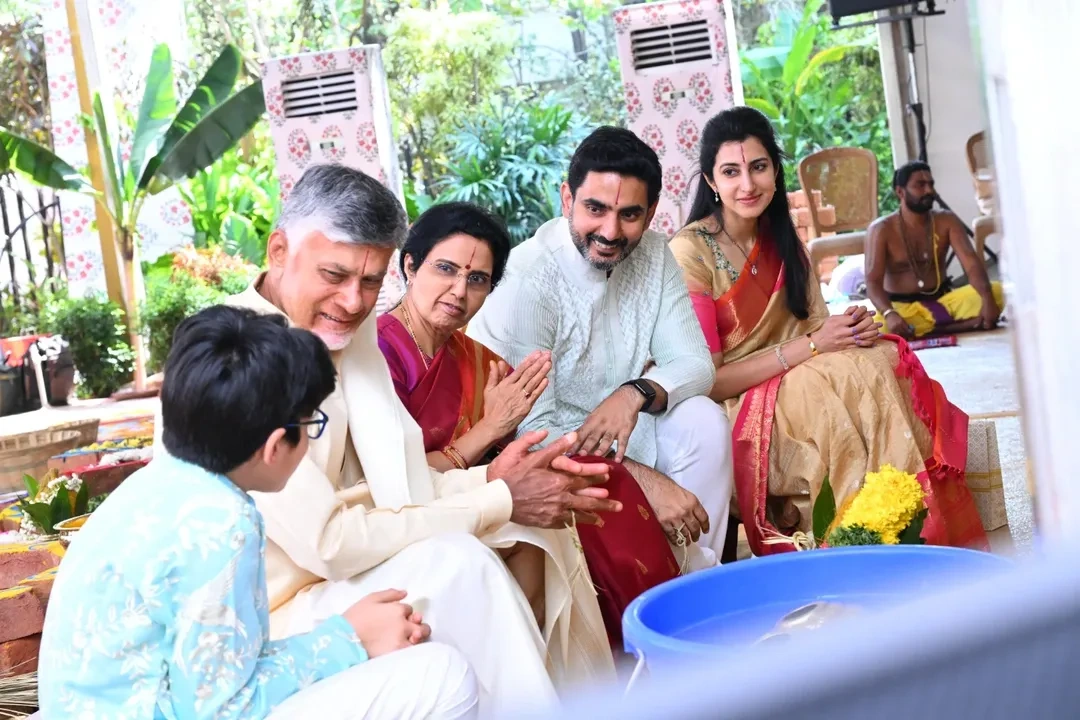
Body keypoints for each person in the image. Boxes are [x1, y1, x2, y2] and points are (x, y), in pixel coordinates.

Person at [150, 164, 623, 717]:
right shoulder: (238, 356)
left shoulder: (354, 331)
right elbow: (329, 543)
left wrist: (497, 482)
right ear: (279, 250)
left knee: (536, 528)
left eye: (370, 282)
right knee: (458, 563)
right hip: (274, 614)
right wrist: (493, 495)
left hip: (347, 567)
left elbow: (402, 484)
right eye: (335, 274)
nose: (353, 301)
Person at [40, 305, 479, 719]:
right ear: (274, 447)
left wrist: (348, 634)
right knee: (442, 673)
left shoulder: (155, 488)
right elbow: (224, 708)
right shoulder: (223, 521)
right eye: (311, 426)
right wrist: (352, 639)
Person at [667, 106, 988, 557]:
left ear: (775, 173)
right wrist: (815, 344)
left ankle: (903, 526)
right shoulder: (690, 253)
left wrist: (847, 328)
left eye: (758, 167)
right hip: (736, 400)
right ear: (710, 182)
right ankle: (850, 542)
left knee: (878, 358)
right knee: (825, 386)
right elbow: (708, 379)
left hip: (797, 375)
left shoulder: (781, 240)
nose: (747, 184)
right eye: (731, 171)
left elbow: (814, 326)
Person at [377, 201, 692, 649]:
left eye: (477, 279)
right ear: (410, 265)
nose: (458, 291)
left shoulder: (478, 362)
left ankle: (651, 637)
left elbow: (518, 450)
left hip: (478, 488)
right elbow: (396, 481)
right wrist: (488, 430)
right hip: (416, 512)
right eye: (445, 269)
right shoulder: (377, 356)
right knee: (537, 529)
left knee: (596, 480)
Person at [467, 127, 733, 561]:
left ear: (650, 215)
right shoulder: (528, 281)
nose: (610, 231)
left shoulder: (653, 253)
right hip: (550, 457)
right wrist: (644, 482)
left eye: (629, 214)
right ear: (566, 199)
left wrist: (633, 394)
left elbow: (696, 364)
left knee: (701, 420)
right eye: (595, 209)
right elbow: (532, 432)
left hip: (630, 433)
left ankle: (699, 578)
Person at [866, 161, 1005, 339]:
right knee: (878, 327)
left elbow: (971, 265)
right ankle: (956, 326)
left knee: (999, 292)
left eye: (931, 184)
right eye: (920, 185)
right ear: (900, 192)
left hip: (943, 302)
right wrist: (889, 313)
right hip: (901, 308)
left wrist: (986, 298)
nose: (929, 191)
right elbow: (872, 283)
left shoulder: (946, 221)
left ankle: (925, 330)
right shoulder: (881, 229)